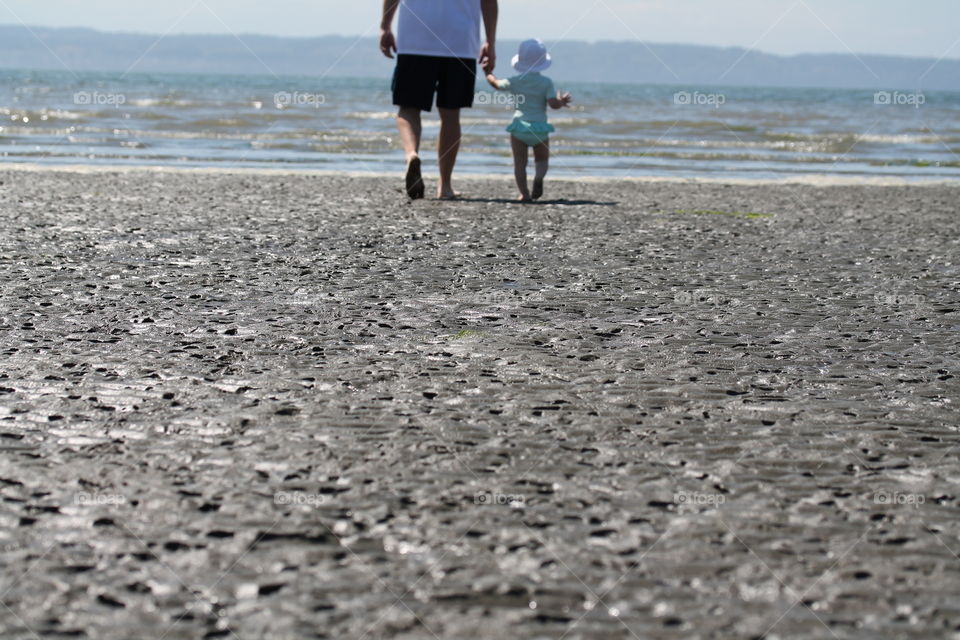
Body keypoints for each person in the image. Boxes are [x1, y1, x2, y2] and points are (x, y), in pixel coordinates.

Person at [380, 0, 499, 200]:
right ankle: (445, 186)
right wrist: (491, 42)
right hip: (460, 42)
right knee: (451, 114)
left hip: (415, 39)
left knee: (408, 108)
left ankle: (411, 154)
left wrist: (385, 26)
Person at [486, 39, 572, 202]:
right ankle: (539, 178)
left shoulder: (514, 81)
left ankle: (524, 194)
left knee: (520, 164)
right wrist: (561, 102)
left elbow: (496, 84)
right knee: (542, 160)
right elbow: (553, 104)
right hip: (540, 128)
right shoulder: (546, 82)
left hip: (520, 127)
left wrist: (488, 72)